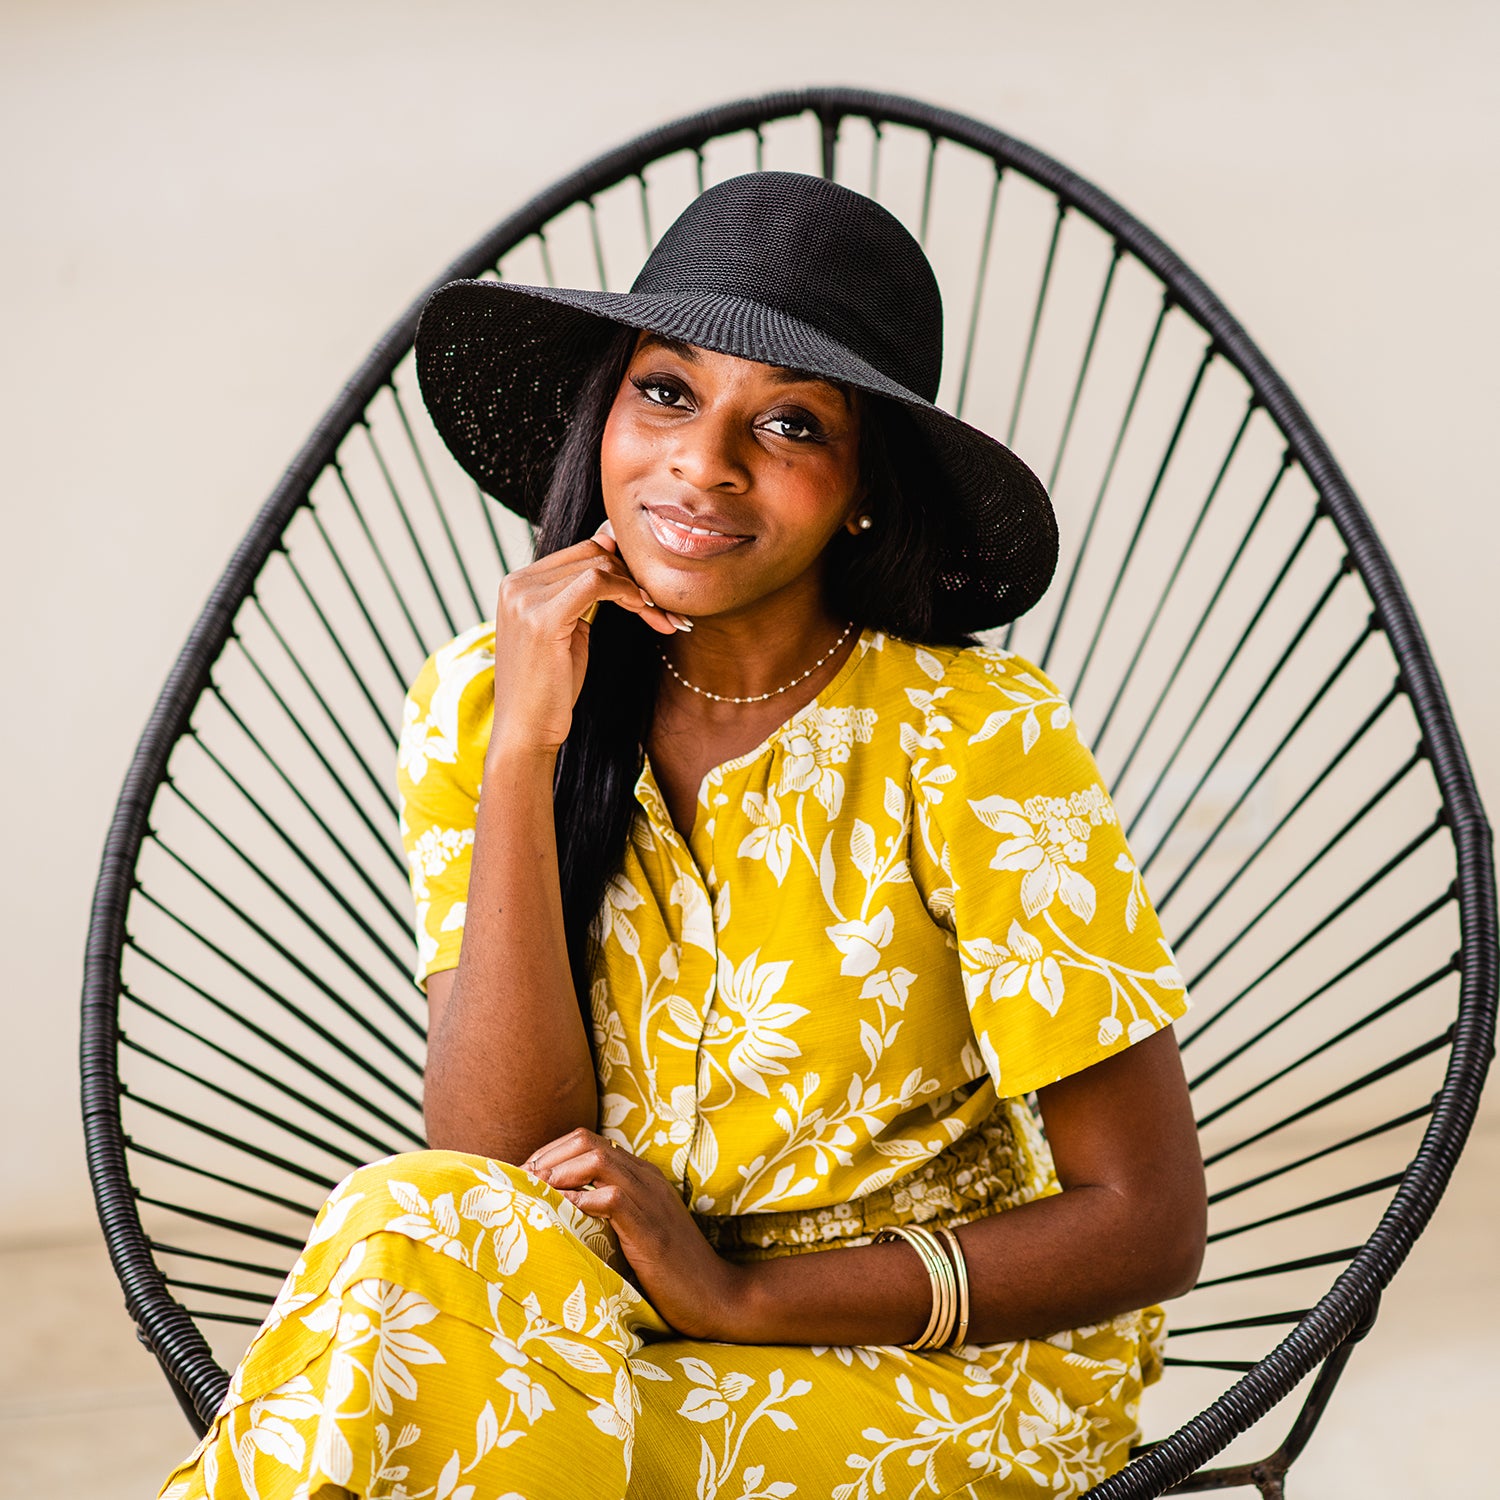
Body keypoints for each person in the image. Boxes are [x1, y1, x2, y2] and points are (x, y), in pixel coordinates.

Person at [159, 170, 1204, 1500]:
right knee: (407, 1227)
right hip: (612, 1323)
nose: (703, 463)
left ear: (864, 489)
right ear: (606, 410)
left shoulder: (971, 734)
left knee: (414, 1417)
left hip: (937, 1369)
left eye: (788, 425)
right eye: (667, 392)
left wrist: (742, 1300)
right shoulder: (484, 700)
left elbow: (1148, 1222)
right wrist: (527, 745)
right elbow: (494, 1161)